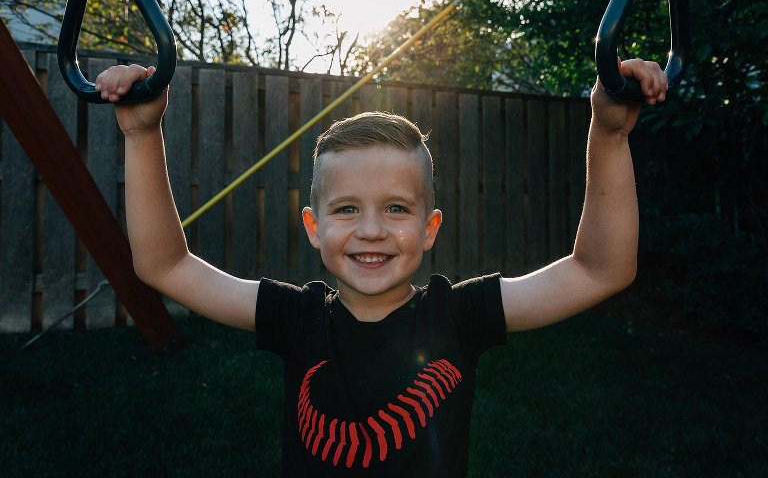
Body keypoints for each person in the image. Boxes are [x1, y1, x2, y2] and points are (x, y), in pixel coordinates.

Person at [95, 58, 667, 477]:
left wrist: (610, 134)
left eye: (396, 208)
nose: (371, 229)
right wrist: (143, 133)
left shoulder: (458, 315)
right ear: (314, 228)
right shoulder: (296, 319)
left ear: (429, 228)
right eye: (346, 210)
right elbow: (164, 265)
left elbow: (601, 270)